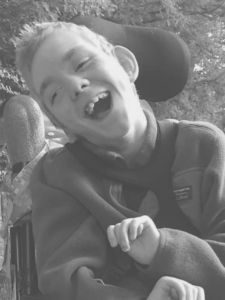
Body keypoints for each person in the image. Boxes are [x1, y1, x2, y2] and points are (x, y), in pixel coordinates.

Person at [14, 19, 225, 300]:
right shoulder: (59, 177)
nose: (76, 86)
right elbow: (66, 283)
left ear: (125, 65)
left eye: (81, 63)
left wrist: (162, 249)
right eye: (55, 94)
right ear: (62, 125)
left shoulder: (204, 147)